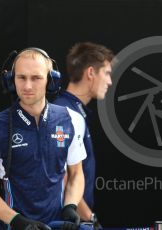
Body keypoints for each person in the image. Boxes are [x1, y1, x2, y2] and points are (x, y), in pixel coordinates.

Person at [0, 48, 86, 230]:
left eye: (36, 78)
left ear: (51, 81)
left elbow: (76, 174)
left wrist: (70, 206)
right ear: (11, 80)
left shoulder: (71, 119)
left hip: (56, 225)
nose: (27, 86)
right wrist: (16, 220)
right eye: (21, 77)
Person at [53, 42, 113, 225]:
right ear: (90, 73)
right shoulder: (64, 113)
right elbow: (60, 176)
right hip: (64, 220)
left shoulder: (74, 112)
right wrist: (89, 218)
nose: (110, 81)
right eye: (107, 73)